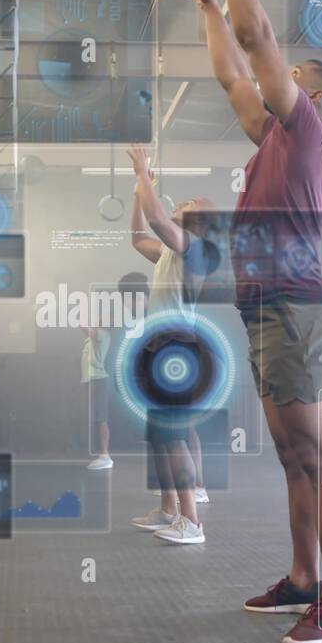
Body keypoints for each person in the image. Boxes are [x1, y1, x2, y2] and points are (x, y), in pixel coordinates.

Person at [171, 0, 322, 643]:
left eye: (287, 73)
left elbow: (258, 41)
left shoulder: (308, 132)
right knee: (293, 453)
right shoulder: (272, 144)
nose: (268, 79)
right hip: (266, 310)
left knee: (317, 453)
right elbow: (232, 74)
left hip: (296, 310)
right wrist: (209, 7)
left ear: (307, 93)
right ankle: (305, 579)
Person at [123, 150, 213, 543]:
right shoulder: (170, 253)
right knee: (161, 438)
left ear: (200, 221)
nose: (184, 202)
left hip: (178, 351)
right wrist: (136, 191)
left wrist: (144, 173)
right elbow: (138, 236)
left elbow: (158, 219)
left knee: (174, 436)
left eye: (192, 203)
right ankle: (167, 509)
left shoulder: (195, 249)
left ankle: (192, 522)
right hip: (160, 350)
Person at [83, 323, 114, 470]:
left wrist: (78, 317)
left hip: (99, 380)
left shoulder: (103, 333)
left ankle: (105, 456)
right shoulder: (94, 336)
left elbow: (84, 328)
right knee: (97, 418)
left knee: (101, 419)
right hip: (93, 380)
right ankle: (103, 456)